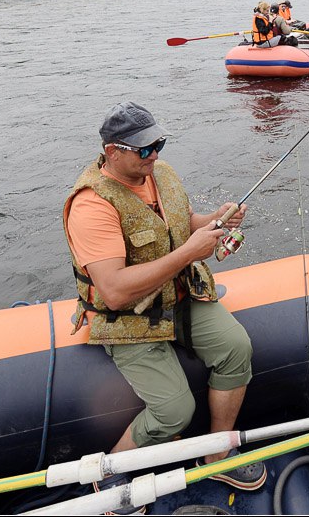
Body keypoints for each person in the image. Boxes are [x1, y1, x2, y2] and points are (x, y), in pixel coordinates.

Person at [63, 102, 267, 496]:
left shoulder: (162, 174)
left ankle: (215, 456)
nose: (153, 154)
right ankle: (112, 478)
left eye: (158, 144)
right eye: (143, 149)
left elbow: (179, 226)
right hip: (128, 319)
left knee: (236, 348)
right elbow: (115, 290)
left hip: (179, 296)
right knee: (174, 411)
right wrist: (190, 253)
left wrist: (214, 220)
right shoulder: (91, 205)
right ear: (112, 152)